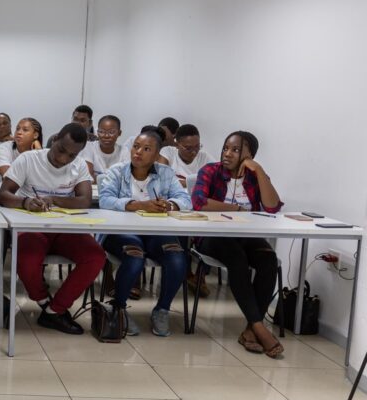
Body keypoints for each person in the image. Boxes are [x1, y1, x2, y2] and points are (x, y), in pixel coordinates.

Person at [0, 123, 104, 335]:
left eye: (72, 155)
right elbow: (3, 195)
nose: (64, 158)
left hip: (66, 229)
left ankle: (55, 310)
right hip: (32, 227)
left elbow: (84, 201)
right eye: (61, 150)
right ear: (54, 140)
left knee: (95, 256)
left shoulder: (79, 165)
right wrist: (26, 202)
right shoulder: (28, 159)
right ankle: (45, 302)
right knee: (26, 261)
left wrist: (53, 199)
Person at [191, 130, 284, 358]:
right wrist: (238, 209)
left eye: (235, 150)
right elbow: (200, 202)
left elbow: (272, 207)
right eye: (226, 148)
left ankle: (250, 330)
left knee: (268, 259)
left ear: (249, 155)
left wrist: (258, 170)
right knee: (237, 259)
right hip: (212, 236)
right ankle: (259, 327)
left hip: (247, 236)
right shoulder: (210, 171)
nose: (227, 154)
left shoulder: (254, 176)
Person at [98, 128, 192, 337]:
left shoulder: (165, 173)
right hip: (121, 232)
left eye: (146, 149)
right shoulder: (117, 171)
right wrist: (139, 205)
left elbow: (185, 200)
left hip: (156, 232)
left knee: (177, 256)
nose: (138, 152)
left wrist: (169, 205)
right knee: (134, 256)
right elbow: (105, 200)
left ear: (157, 154)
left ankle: (162, 310)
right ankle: (119, 308)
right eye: (136, 147)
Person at [158, 123, 213, 187]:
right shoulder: (168, 152)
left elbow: (218, 177)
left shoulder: (204, 157)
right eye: (188, 148)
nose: (194, 152)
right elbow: (161, 179)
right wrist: (198, 182)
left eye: (197, 146)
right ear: (177, 145)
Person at [81, 114, 129, 181]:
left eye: (111, 132)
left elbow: (126, 178)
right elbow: (88, 177)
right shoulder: (89, 147)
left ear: (119, 133)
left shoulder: (124, 151)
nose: (106, 136)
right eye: (101, 132)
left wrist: (98, 178)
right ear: (97, 132)